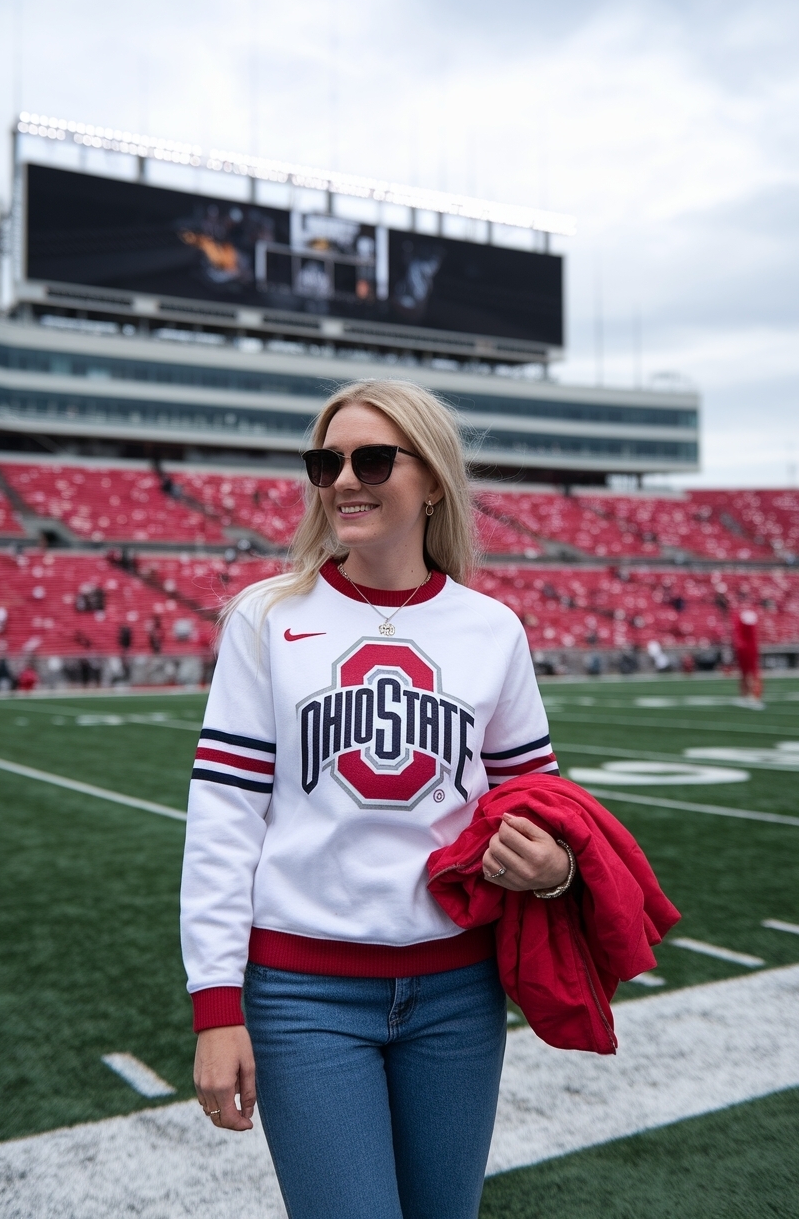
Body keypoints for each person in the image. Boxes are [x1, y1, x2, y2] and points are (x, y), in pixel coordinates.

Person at [180, 380, 572, 1219]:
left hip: (459, 996)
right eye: (326, 462)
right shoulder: (266, 618)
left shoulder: (492, 628)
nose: (343, 481)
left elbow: (539, 801)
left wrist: (553, 866)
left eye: (371, 459)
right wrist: (216, 1007)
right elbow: (224, 815)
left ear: (432, 479)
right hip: (302, 997)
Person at [733, 608, 762, 701]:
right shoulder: (747, 622)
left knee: (750, 673)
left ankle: (752, 694)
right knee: (749, 673)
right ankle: (748, 694)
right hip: (748, 648)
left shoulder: (745, 622)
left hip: (747, 649)